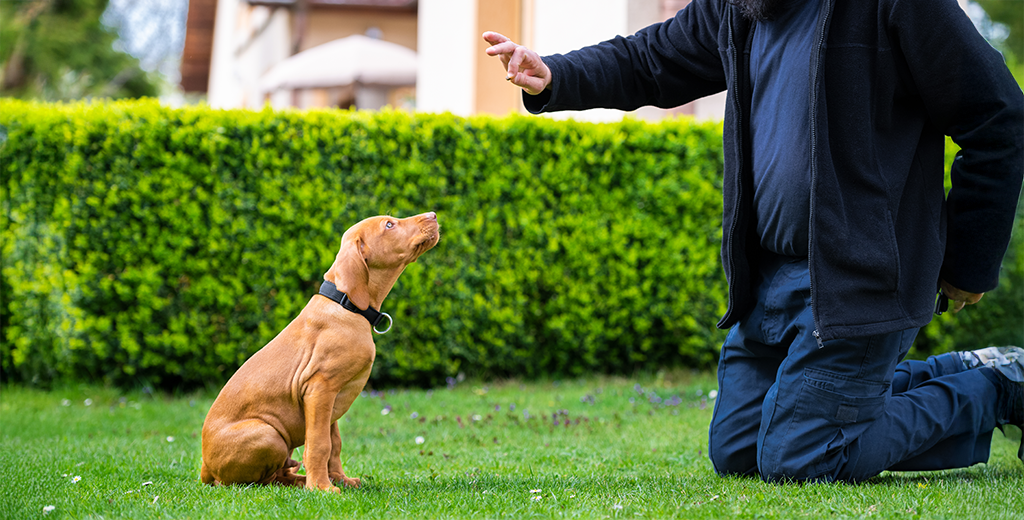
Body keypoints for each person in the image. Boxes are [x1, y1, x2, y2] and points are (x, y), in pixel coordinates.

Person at [484, 0, 1023, 483]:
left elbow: (999, 116)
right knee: (739, 450)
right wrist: (556, 74)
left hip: (861, 281)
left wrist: (967, 262)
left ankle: (1002, 385)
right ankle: (964, 370)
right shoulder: (741, 6)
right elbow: (651, 59)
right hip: (767, 282)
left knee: (800, 458)